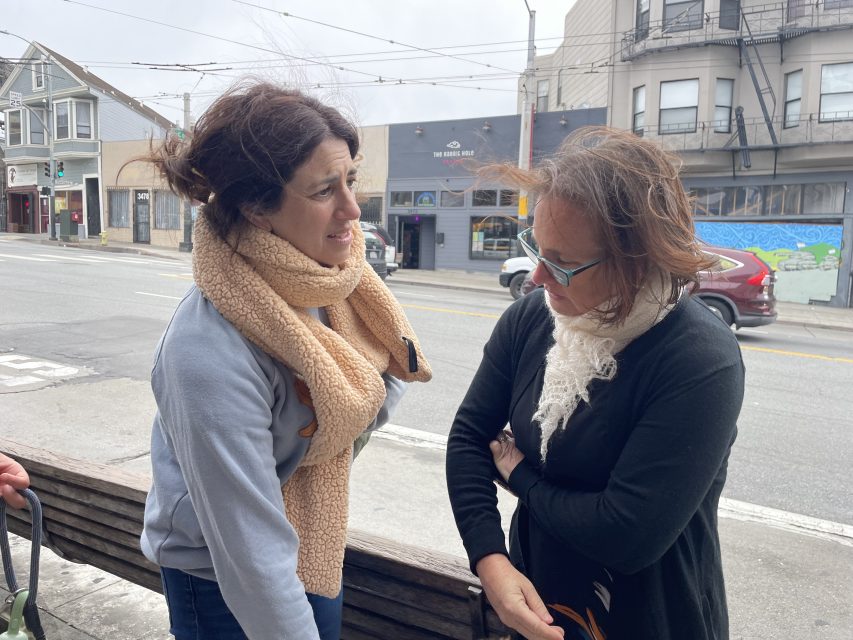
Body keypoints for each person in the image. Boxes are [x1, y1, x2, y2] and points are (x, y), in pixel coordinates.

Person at [140, 81, 432, 640]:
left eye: (350, 180)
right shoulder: (206, 351)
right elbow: (249, 555)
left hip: (313, 539)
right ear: (256, 209)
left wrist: (332, 411)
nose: (353, 208)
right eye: (325, 189)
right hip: (217, 573)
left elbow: (372, 389)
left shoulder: (332, 283)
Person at [446, 126, 744, 640]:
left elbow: (626, 535)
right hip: (538, 604)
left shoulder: (699, 359)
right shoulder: (530, 321)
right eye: (537, 248)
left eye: (561, 262)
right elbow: (469, 438)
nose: (537, 278)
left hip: (652, 617)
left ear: (637, 261)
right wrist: (491, 563)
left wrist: (522, 479)